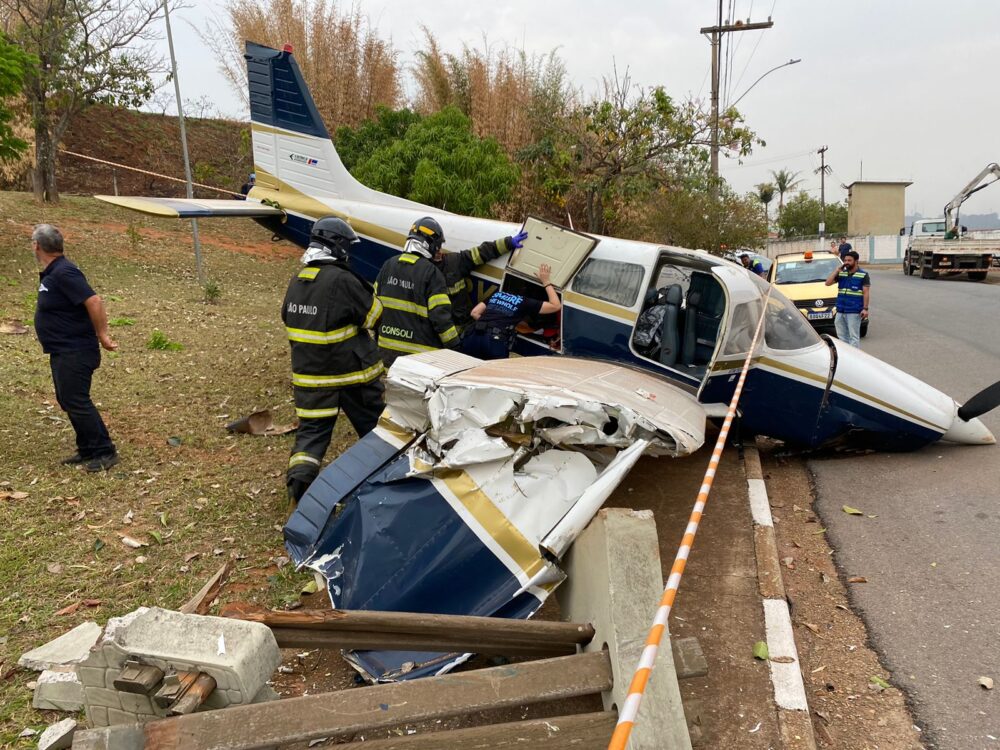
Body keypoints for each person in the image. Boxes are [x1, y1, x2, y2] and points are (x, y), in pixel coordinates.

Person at [282, 217, 385, 504]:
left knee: (310, 438)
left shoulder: (298, 280)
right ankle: (386, 484)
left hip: (310, 380)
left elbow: (287, 318)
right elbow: (376, 316)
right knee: (378, 431)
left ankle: (297, 491)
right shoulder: (342, 279)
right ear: (337, 246)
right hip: (353, 377)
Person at [31, 224, 120, 472]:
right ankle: (87, 449)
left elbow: (94, 300)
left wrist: (103, 335)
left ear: (36, 245)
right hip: (63, 349)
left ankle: (104, 451)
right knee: (67, 399)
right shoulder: (55, 272)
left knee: (76, 400)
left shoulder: (64, 272)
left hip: (76, 350)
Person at [374, 217, 462, 366]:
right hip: (419, 361)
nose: (439, 250)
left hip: (386, 356)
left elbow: (374, 308)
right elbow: (440, 318)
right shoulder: (432, 273)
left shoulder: (388, 266)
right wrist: (455, 346)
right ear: (430, 245)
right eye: (438, 246)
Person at [416, 217, 529, 331]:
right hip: (438, 333)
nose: (440, 251)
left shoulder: (454, 261)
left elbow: (481, 253)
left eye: (440, 246)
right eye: (436, 249)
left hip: (464, 329)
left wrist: (508, 243)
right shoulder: (419, 273)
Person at [460, 264, 561, 360]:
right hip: (494, 341)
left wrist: (489, 323)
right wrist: (546, 281)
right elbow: (556, 305)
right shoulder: (524, 302)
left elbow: (474, 312)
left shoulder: (497, 295)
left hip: (473, 336)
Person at [825, 249, 870, 348]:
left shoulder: (863, 275)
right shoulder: (842, 273)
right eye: (845, 260)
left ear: (856, 261)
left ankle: (855, 359)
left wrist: (865, 309)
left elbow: (866, 292)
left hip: (854, 311)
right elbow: (827, 283)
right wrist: (837, 270)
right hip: (840, 310)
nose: (846, 263)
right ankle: (846, 357)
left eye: (849, 260)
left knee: (853, 337)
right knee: (841, 337)